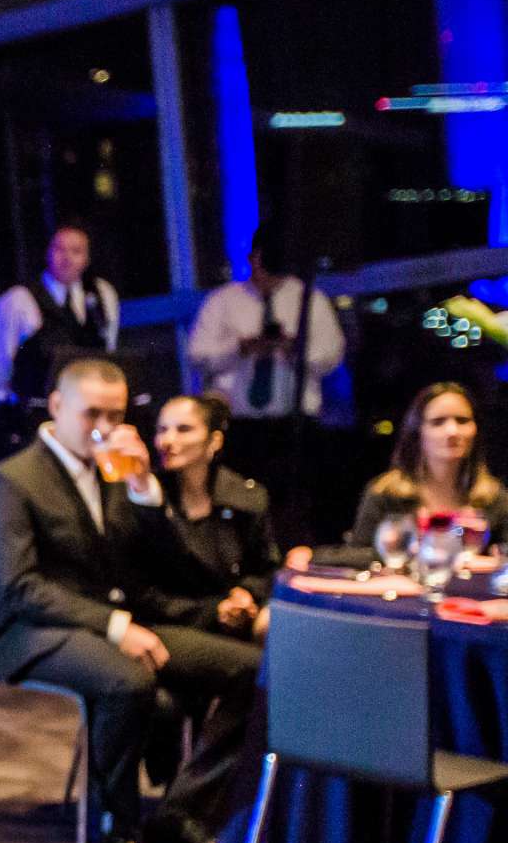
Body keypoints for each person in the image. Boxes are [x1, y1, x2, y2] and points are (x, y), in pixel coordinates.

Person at [0, 358, 260, 843]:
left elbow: (166, 562)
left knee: (258, 670)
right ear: (58, 407)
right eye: (92, 415)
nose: (106, 428)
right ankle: (119, 827)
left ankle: (182, 812)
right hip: (34, 633)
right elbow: (19, 589)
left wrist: (146, 491)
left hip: (121, 620)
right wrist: (115, 627)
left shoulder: (117, 472)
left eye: (117, 415)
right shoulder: (12, 481)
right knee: (128, 681)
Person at [152, 392, 279, 641]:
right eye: (162, 429)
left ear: (214, 441)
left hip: (236, 615)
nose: (167, 440)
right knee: (252, 666)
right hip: (175, 620)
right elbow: (145, 589)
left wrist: (245, 593)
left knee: (278, 629)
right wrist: (215, 611)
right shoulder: (147, 495)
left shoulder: (246, 496)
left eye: (183, 429)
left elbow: (267, 567)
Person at [186, 229, 346, 422]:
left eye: (267, 261)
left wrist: (294, 348)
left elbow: (331, 357)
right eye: (256, 259)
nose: (261, 268)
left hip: (297, 417)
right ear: (250, 257)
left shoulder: (310, 300)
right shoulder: (221, 301)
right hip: (237, 418)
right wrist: (240, 348)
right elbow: (197, 356)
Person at [344, 380, 508, 549]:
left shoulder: (495, 497)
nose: (452, 431)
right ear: (417, 432)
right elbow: (357, 554)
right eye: (438, 422)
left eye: (462, 420)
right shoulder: (385, 493)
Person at [0, 223, 121, 411]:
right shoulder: (19, 299)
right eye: (60, 249)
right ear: (48, 252)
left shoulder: (102, 294)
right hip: (35, 411)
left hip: (89, 410)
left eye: (76, 251)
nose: (67, 258)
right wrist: (5, 410)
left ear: (87, 258)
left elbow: (109, 349)